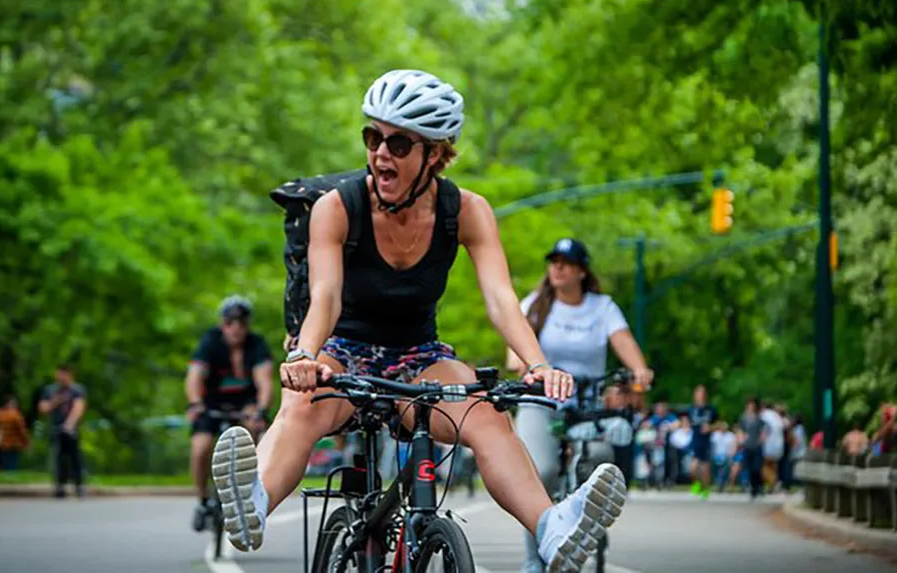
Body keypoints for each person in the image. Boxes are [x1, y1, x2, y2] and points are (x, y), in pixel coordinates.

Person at [210, 69, 627, 572]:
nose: (381, 152)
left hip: (419, 357)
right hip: (345, 351)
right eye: (373, 137)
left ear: (435, 153)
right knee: (303, 403)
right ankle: (253, 501)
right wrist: (303, 354)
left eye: (399, 143)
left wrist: (537, 364)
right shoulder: (336, 208)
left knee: (489, 415)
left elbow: (499, 298)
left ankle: (552, 528)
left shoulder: (466, 211)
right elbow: (326, 296)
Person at [505, 238, 653, 572]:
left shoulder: (603, 308)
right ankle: (533, 562)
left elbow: (624, 342)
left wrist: (639, 370)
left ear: (582, 272)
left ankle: (586, 524)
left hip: (587, 403)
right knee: (540, 472)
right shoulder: (536, 304)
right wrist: (519, 362)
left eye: (566, 263)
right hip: (540, 399)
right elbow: (515, 347)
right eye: (553, 261)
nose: (557, 268)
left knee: (601, 461)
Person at [185, 295, 273, 531]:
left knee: (252, 435)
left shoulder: (256, 344)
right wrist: (194, 403)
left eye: (241, 323)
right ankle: (203, 500)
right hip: (211, 404)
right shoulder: (210, 341)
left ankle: (242, 494)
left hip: (245, 405)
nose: (236, 328)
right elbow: (194, 376)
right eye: (230, 323)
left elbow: (264, 382)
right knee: (201, 448)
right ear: (222, 323)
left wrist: (261, 409)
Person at [39, 364, 87, 498]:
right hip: (56, 428)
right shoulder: (50, 390)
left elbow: (79, 407)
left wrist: (70, 424)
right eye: (58, 373)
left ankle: (79, 485)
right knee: (59, 458)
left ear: (70, 375)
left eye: (63, 374)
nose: (60, 377)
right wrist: (55, 402)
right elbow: (43, 408)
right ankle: (60, 486)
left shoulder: (77, 390)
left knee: (75, 458)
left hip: (72, 430)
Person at [687, 385, 718, 498]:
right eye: (698, 393)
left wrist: (710, 427)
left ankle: (706, 489)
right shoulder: (691, 409)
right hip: (695, 441)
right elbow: (686, 422)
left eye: (702, 393)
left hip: (706, 441)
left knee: (705, 468)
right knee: (692, 468)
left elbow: (720, 424)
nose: (700, 395)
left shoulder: (711, 410)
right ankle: (697, 483)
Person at [0, 394, 30, 471]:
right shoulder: (16, 415)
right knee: (12, 464)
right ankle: (11, 478)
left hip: (3, 443)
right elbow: (22, 430)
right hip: (14, 443)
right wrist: (26, 442)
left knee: (5, 463)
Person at [738, 397, 765, 498]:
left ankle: (758, 486)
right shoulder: (743, 418)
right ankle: (753, 487)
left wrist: (761, 440)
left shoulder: (759, 419)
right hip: (747, 445)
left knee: (757, 467)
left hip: (756, 446)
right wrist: (741, 440)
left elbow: (763, 431)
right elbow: (740, 430)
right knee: (749, 468)